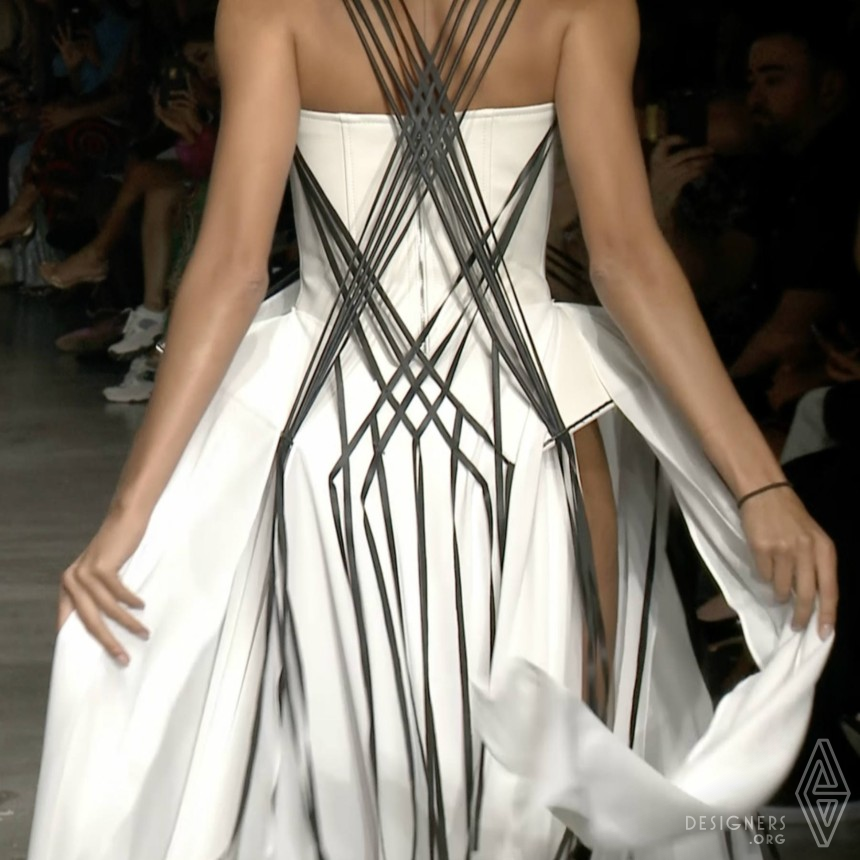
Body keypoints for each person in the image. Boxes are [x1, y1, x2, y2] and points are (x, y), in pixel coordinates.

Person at [27, 2, 837, 859]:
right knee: (547, 794)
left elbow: (230, 267)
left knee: (354, 796)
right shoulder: (584, 7)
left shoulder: (272, 9)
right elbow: (627, 258)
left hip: (336, 442)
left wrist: (130, 518)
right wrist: (759, 481)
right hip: (535, 440)